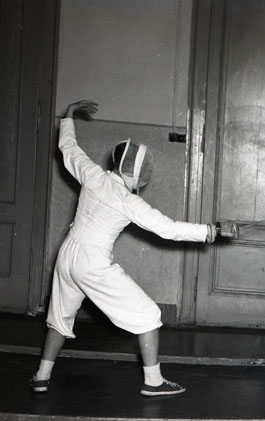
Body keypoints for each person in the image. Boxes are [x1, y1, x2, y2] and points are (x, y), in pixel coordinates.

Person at [32, 100, 235, 397]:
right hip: (92, 263)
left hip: (67, 256)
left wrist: (69, 115)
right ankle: (153, 381)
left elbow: (69, 148)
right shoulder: (128, 201)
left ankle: (41, 376)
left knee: (59, 319)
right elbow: (168, 228)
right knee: (149, 315)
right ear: (138, 173)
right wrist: (211, 231)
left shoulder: (93, 174)